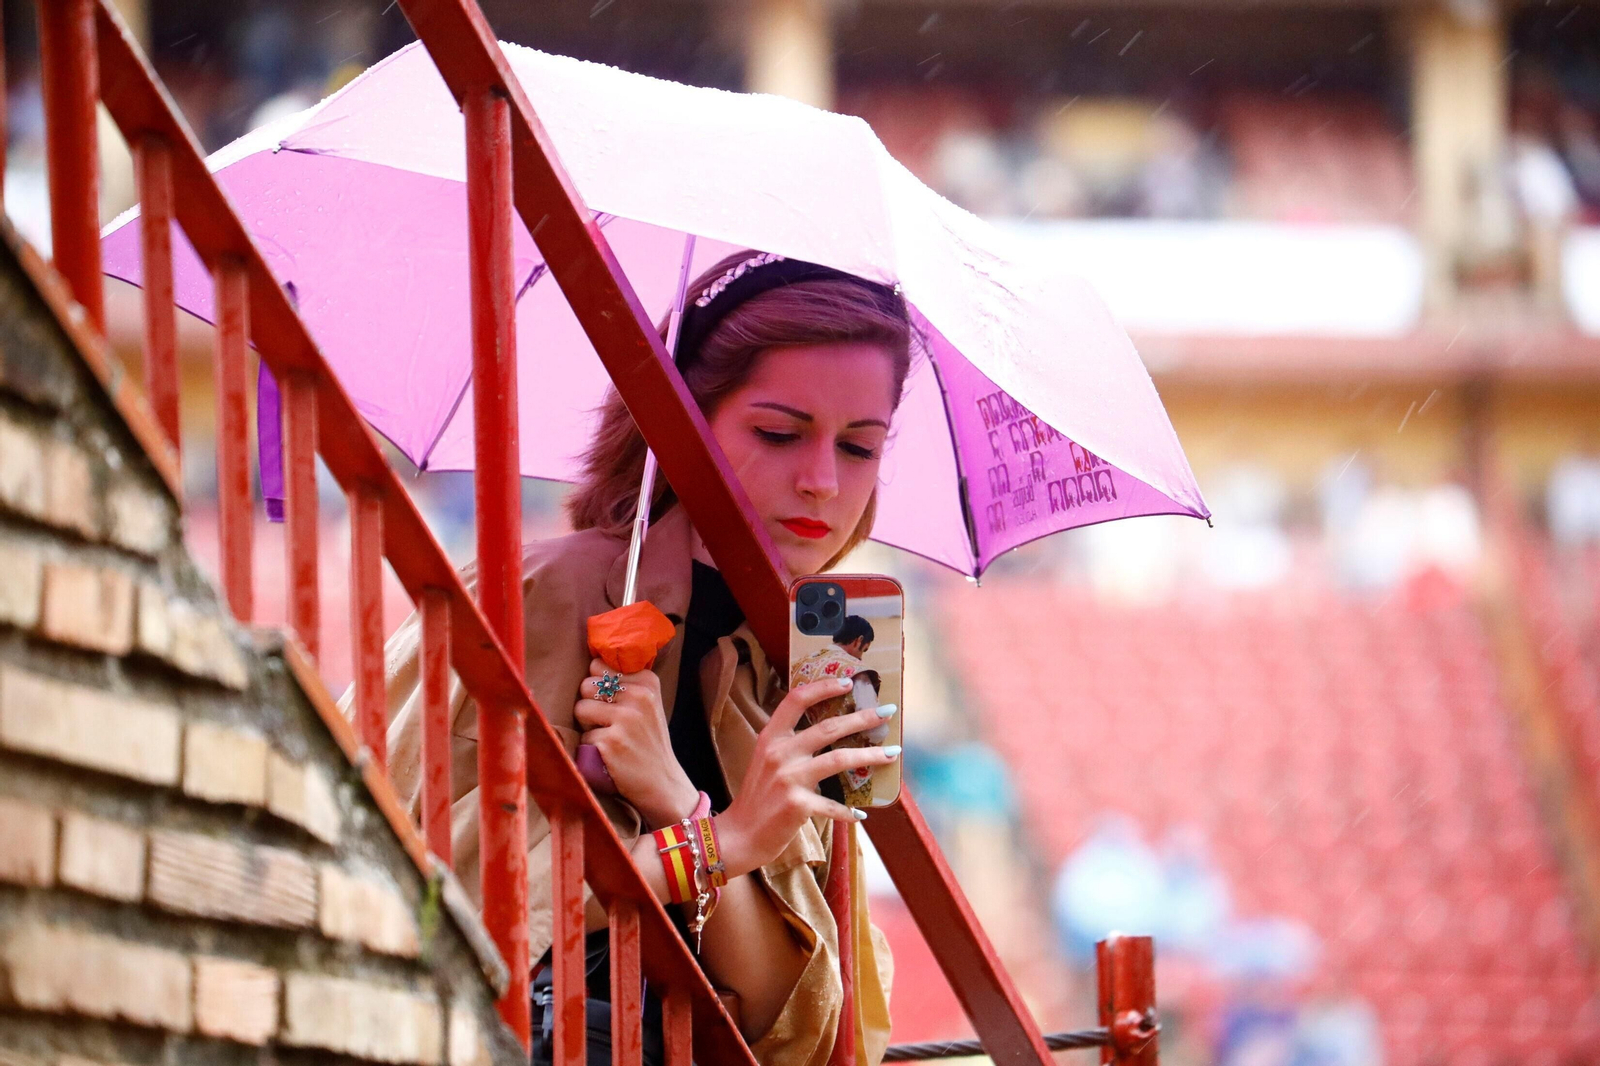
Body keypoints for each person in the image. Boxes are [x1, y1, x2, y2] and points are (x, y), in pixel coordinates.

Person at [364, 250, 911, 1066]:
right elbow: (459, 907)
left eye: (861, 447)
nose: (823, 481)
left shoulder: (804, 673)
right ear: (682, 425)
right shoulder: (542, 596)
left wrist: (690, 816)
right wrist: (720, 843)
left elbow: (796, 1023)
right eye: (778, 433)